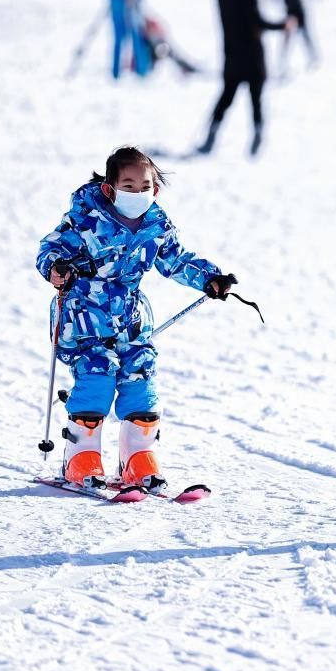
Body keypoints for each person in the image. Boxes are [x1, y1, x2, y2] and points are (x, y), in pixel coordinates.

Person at [37, 147, 236, 491]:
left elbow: (175, 260)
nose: (137, 193)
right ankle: (80, 459)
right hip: (85, 318)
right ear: (109, 188)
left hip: (129, 320)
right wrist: (57, 269)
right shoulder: (86, 219)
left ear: (155, 188)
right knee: (97, 377)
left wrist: (209, 278)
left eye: (144, 186)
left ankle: (139, 459)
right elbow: (51, 249)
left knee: (139, 379)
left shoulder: (155, 224)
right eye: (128, 185)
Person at [198, 0, 292, 157]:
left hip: (231, 55)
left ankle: (210, 140)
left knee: (225, 99)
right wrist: (283, 25)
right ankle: (257, 144)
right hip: (253, 58)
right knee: (256, 100)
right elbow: (257, 22)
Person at [268, 0, 318, 75]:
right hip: (290, 12)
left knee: (305, 35)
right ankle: (282, 64)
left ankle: (313, 58)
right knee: (287, 37)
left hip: (299, 11)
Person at [108, 0, 150, 79]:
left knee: (137, 39)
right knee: (119, 40)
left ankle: (140, 71)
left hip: (132, 13)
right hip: (120, 13)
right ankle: (116, 73)